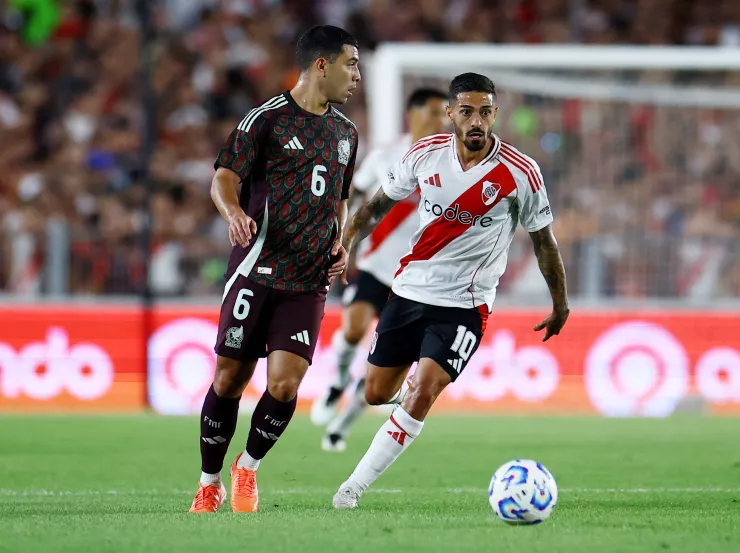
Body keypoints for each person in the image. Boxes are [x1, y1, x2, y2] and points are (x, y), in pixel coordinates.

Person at [330, 73, 570, 509]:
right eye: (466, 111)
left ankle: (352, 488)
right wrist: (344, 245)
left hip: (464, 304)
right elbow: (374, 207)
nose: (476, 120)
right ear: (450, 114)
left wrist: (560, 303)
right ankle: (403, 390)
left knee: (423, 391)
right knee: (376, 394)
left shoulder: (521, 172)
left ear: (494, 114)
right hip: (408, 291)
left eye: (484, 111)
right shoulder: (423, 155)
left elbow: (544, 242)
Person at [189, 25, 361, 513]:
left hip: (307, 280)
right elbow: (223, 177)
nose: (357, 76)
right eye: (350, 64)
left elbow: (341, 199)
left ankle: (248, 468)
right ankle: (208, 481)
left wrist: (340, 243)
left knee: (285, 384)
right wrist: (234, 213)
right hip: (256, 268)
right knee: (228, 380)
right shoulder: (265, 120)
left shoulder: (346, 133)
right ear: (321, 65)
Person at [309, 87, 450, 452]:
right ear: (414, 115)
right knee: (353, 330)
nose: (443, 120)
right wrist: (344, 239)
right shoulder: (387, 155)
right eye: (436, 113)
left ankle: (342, 425)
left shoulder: (452, 161)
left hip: (416, 277)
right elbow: (354, 194)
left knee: (388, 363)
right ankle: (337, 383)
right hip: (375, 266)